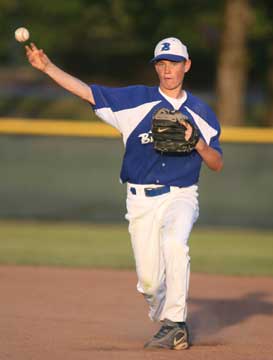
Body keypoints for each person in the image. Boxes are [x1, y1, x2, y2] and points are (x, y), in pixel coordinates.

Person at [25, 37, 223, 350]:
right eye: (161, 63)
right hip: (140, 200)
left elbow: (216, 163)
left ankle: (176, 323)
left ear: (187, 65)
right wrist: (47, 67)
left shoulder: (202, 112)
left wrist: (197, 141)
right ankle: (165, 316)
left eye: (173, 62)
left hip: (181, 196)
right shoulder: (134, 100)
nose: (167, 69)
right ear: (156, 67)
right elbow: (87, 91)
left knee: (175, 242)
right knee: (148, 283)